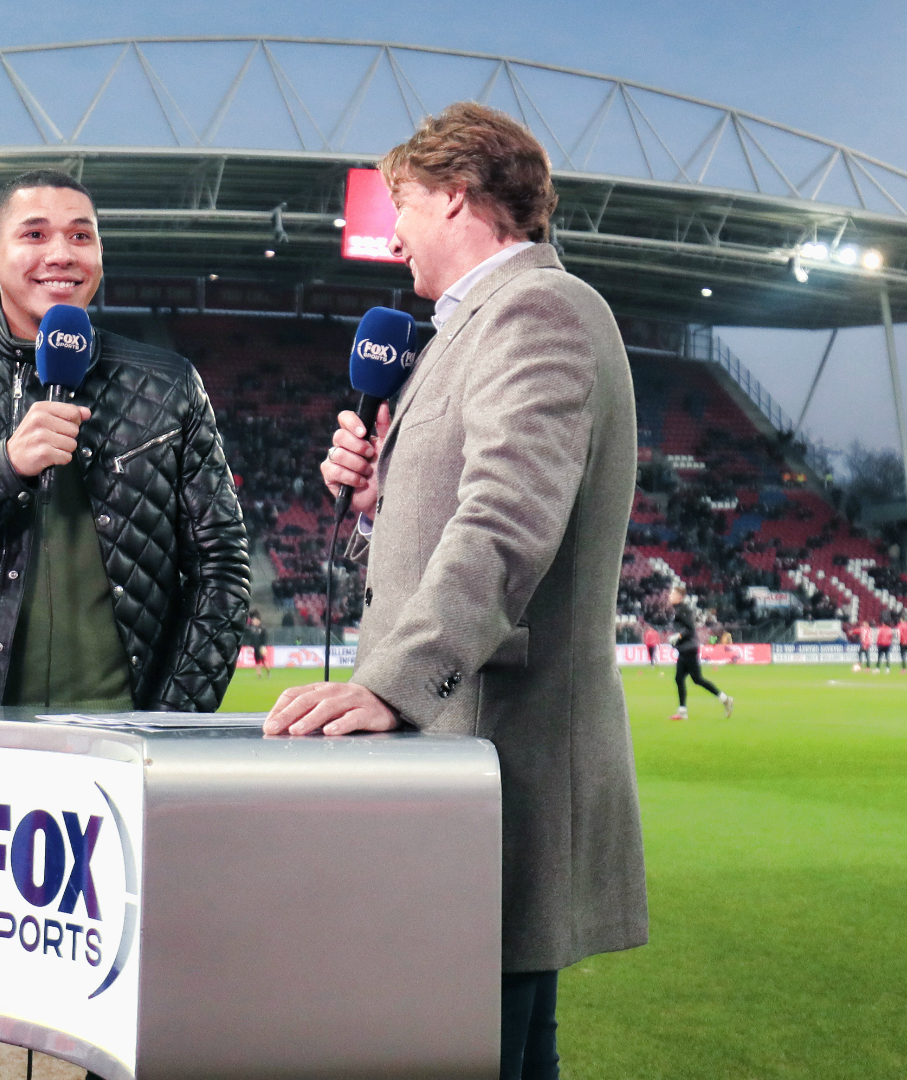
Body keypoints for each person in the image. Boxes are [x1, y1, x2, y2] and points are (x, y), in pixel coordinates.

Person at [268, 103, 648, 1080]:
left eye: (401, 204)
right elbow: (452, 520)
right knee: (513, 1053)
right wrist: (376, 503)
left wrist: (391, 685)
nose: (393, 234)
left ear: (453, 195)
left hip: (496, 748)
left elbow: (507, 524)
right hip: (473, 751)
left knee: (473, 1047)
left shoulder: (537, 311)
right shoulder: (467, 329)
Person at [0, 167, 249, 1080]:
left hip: (124, 760)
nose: (61, 252)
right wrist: (5, 463)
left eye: (81, 233)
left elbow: (223, 569)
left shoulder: (167, 383)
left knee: (132, 1028)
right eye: (34, 234)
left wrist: (169, 726)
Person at [667, 586, 734, 721]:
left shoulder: (683, 610)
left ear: (679, 597)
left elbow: (690, 629)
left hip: (689, 649)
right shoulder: (679, 609)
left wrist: (678, 636)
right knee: (680, 678)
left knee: (697, 679)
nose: (669, 596)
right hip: (685, 649)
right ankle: (682, 712)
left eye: (672, 594)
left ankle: (725, 699)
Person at [244, 612, 271, 677]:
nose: (254, 621)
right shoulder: (251, 629)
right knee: (257, 662)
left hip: (261, 647)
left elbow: (264, 638)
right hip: (255, 647)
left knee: (263, 661)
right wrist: (249, 646)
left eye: (255, 620)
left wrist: (264, 646)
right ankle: (259, 675)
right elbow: (250, 638)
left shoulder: (262, 629)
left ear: (258, 621)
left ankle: (268, 671)